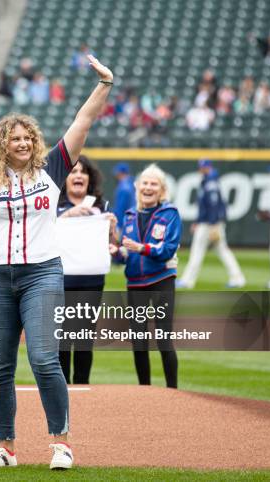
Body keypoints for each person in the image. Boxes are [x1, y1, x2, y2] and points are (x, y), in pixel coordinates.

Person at [0, 50, 113, 470]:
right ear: (2, 142)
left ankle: (61, 445)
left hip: (42, 275)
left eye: (28, 137)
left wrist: (103, 85)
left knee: (46, 360)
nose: (23, 142)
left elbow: (81, 123)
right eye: (15, 138)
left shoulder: (53, 169)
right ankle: (5, 449)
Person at [110, 164, 181, 389]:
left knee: (163, 338)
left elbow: (168, 249)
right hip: (135, 284)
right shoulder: (130, 215)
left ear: (162, 190)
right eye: (145, 183)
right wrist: (117, 253)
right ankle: (145, 392)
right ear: (137, 187)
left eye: (154, 184)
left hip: (162, 280)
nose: (148, 187)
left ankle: (173, 391)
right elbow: (126, 254)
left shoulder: (170, 214)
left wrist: (141, 248)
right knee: (139, 341)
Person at [56, 156, 116, 384]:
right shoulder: (54, 205)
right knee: (61, 337)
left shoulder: (101, 206)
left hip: (92, 280)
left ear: (90, 178)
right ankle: (61, 388)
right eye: (73, 172)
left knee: (84, 337)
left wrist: (112, 229)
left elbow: (114, 244)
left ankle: (82, 386)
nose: (78, 175)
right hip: (60, 279)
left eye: (83, 172)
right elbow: (42, 233)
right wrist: (67, 216)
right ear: (65, 178)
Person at [178, 159, 246, 289]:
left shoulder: (211, 182)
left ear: (208, 167)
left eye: (203, 167)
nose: (201, 169)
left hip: (209, 224)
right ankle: (238, 278)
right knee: (223, 251)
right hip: (210, 222)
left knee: (197, 251)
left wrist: (213, 224)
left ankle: (188, 281)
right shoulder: (208, 180)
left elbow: (214, 205)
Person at [112, 162, 135, 235]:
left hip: (125, 223)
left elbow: (120, 209)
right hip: (133, 221)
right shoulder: (132, 183)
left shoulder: (123, 187)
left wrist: (118, 226)